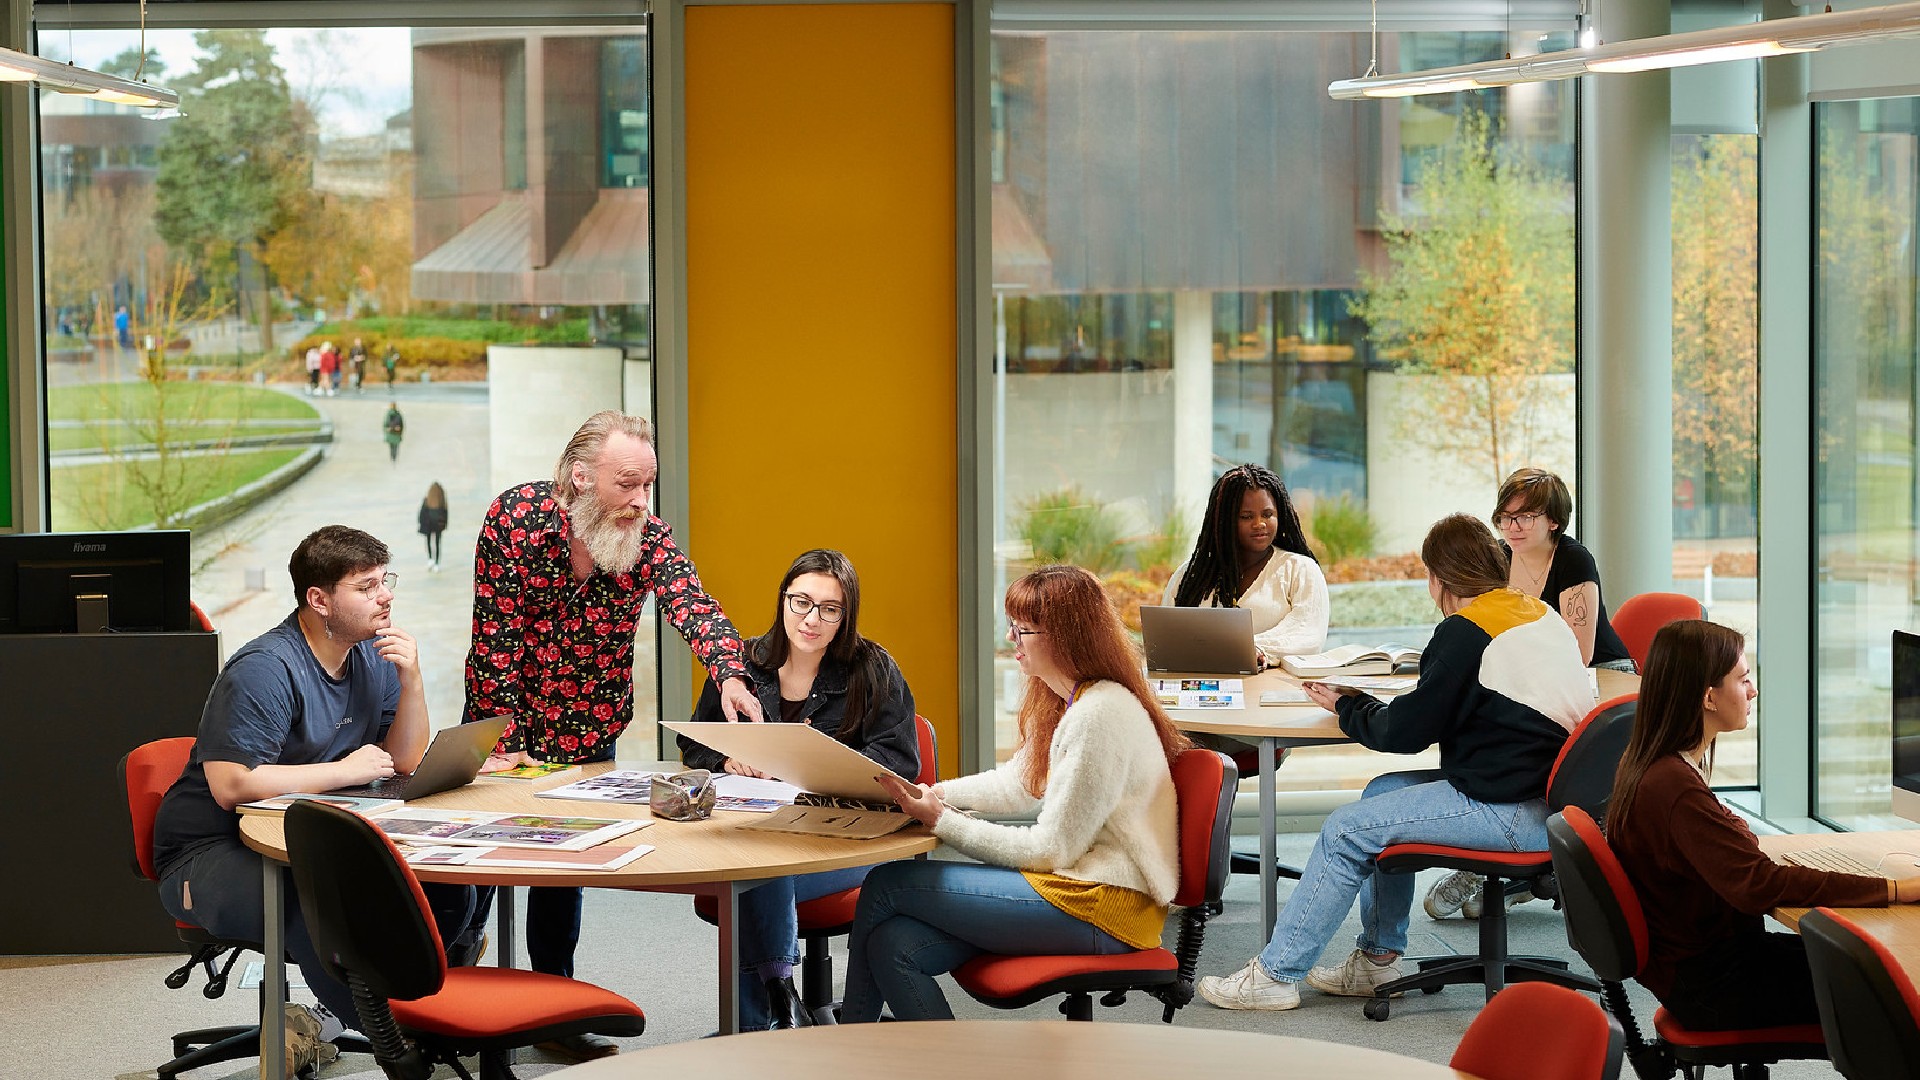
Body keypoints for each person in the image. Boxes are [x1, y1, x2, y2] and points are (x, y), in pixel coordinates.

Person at [1195, 513, 1591, 1012]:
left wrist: (1347, 704)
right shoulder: (1532, 612)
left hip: (1512, 809)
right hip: (1551, 802)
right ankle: (1376, 961)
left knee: (1344, 829)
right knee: (1383, 794)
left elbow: (1403, 733)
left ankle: (1275, 976)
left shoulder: (1467, 632)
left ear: (1438, 578)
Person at [462, 410, 762, 1060]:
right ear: (579, 476)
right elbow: (496, 639)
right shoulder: (514, 521)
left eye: (648, 485)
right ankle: (438, 1006)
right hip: (505, 723)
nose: (640, 501)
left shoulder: (645, 537)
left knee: (560, 872)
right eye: (628, 484)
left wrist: (730, 674)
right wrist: (503, 742)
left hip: (589, 729)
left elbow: (692, 602)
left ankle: (554, 1015)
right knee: (471, 870)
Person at [148, 526, 481, 1073]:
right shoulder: (266, 669)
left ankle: (426, 1015)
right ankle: (402, 1047)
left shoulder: (370, 656)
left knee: (449, 886)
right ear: (319, 600)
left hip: (303, 835)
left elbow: (402, 759)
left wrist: (413, 679)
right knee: (318, 907)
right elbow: (231, 785)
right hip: (211, 849)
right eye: (367, 586)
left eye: (385, 581)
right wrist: (341, 771)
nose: (385, 595)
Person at [841, 564, 1189, 1023]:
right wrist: (928, 793)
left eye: (1022, 630)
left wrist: (941, 820)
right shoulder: (1071, 699)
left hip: (1104, 906)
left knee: (886, 884)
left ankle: (843, 1047)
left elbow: (1050, 849)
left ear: (1065, 636)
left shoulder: (1100, 716)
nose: (1011, 640)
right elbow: (1017, 784)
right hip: (1077, 889)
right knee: (895, 944)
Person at [1608, 618, 1915, 1028]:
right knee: (1889, 992)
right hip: (1715, 984)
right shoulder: (1674, 788)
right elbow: (1759, 885)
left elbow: (1735, 854)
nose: (1753, 690)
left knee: (1872, 961)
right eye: (1743, 679)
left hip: (1706, 965)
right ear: (1708, 697)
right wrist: (1894, 888)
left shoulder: (1654, 763)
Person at [677, 548, 919, 1030]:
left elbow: (899, 763)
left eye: (829, 609)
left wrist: (814, 772)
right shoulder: (741, 664)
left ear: (845, 617)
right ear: (782, 600)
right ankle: (778, 1003)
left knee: (763, 872)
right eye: (800, 602)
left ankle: (757, 1019)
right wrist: (728, 758)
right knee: (759, 863)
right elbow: (693, 743)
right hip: (762, 827)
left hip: (848, 843)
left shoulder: (873, 670)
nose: (811, 619)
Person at [1425, 467, 1633, 920]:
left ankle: (1505, 863)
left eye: (1526, 517)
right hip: (1539, 672)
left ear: (1554, 521)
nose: (1513, 527)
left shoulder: (1573, 560)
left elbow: (1577, 650)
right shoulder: (1499, 559)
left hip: (1601, 670)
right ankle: (1499, 855)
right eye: (1506, 517)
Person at [1163, 463, 1329, 666]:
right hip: (1201, 690)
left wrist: (1255, 648)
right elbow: (1166, 637)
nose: (1259, 523)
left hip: (1272, 692)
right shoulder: (1190, 576)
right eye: (1246, 516)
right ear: (1224, 520)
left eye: (1268, 514)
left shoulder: (1301, 569)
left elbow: (1308, 633)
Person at [418, 481, 449, 572]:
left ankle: (430, 559)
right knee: (437, 543)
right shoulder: (442, 500)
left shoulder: (427, 499)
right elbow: (445, 513)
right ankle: (437, 563)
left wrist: (421, 524)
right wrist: (445, 524)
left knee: (428, 541)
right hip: (438, 524)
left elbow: (422, 512)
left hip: (428, 523)